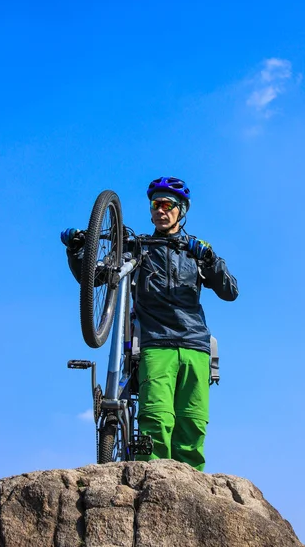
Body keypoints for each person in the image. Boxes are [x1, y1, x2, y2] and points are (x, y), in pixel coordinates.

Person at [61, 176, 238, 471]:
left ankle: (191, 489)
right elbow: (95, 278)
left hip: (195, 345)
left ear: (181, 210)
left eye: (167, 205)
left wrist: (209, 259)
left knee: (193, 424)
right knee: (155, 419)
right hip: (155, 343)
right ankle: (150, 482)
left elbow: (230, 291)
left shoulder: (195, 252)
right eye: (156, 204)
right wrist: (78, 250)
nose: (160, 210)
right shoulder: (137, 248)